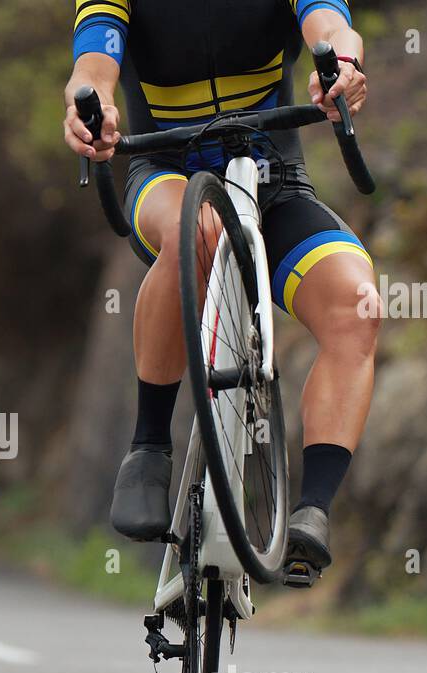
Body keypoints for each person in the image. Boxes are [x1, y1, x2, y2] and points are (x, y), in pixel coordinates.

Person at [63, 0, 380, 586]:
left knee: (357, 306)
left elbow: (332, 27)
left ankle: (312, 509)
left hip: (273, 178)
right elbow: (92, 68)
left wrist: (343, 65)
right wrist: (92, 108)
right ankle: (150, 446)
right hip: (161, 173)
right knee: (197, 228)